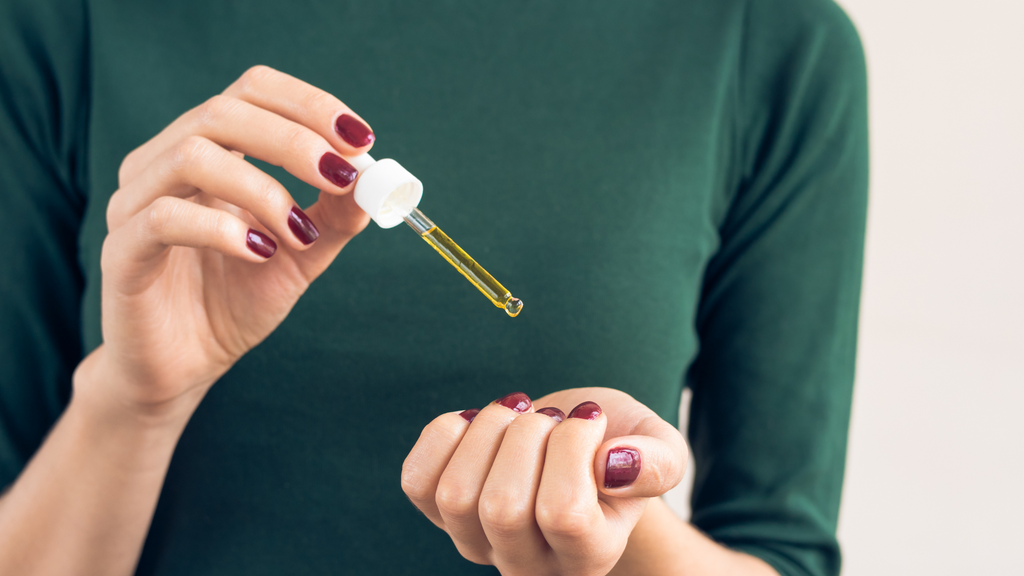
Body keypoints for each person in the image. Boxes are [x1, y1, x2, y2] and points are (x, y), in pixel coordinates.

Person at [0, 1, 868, 575]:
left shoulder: (764, 41)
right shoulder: (63, 24)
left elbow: (779, 551)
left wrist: (612, 523)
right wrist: (136, 398)